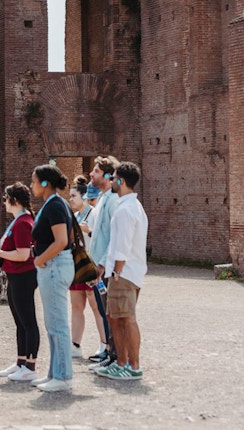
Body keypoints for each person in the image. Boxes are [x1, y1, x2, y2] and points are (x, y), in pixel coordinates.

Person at [95, 162, 148, 380]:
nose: (112, 180)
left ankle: (133, 366)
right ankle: (121, 362)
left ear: (122, 181)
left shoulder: (127, 209)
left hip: (124, 274)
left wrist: (115, 273)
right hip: (122, 272)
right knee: (115, 317)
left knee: (126, 318)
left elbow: (123, 247)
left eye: (115, 177)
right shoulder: (127, 206)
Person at [0, 182, 39, 382]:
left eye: (5, 199)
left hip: (24, 275)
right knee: (19, 322)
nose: (4, 203)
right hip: (15, 275)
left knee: (27, 321)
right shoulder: (18, 220)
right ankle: (20, 362)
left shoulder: (23, 222)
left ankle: (30, 366)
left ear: (14, 200)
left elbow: (23, 254)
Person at [29, 165, 75, 392]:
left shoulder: (56, 205)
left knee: (58, 324)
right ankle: (54, 373)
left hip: (54, 266)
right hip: (54, 266)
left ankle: (64, 376)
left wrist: (39, 259)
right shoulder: (55, 204)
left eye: (34, 181)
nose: (31, 185)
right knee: (52, 323)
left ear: (45, 183)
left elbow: (62, 240)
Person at [85, 155, 121, 369]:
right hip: (97, 266)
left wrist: (102, 264)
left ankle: (114, 356)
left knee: (110, 312)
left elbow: (114, 237)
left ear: (107, 176)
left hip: (105, 268)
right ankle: (108, 352)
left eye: (96, 171)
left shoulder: (113, 201)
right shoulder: (102, 199)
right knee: (103, 310)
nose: (91, 174)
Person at [68, 176, 106, 360]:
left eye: (73, 196)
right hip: (77, 266)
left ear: (84, 197)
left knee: (96, 306)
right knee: (76, 306)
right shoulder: (74, 217)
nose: (70, 199)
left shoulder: (94, 214)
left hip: (91, 265)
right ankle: (75, 345)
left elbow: (100, 237)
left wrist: (88, 231)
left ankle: (104, 344)